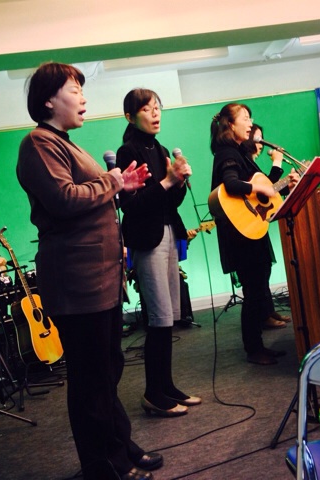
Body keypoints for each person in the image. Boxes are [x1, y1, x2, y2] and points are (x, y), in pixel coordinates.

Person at [16, 62, 158, 480]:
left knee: (107, 370)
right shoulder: (38, 142)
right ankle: (102, 466)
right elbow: (64, 199)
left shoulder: (65, 143)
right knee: (91, 378)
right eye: (74, 90)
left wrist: (120, 184)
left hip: (99, 279)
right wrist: (113, 182)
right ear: (48, 100)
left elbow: (88, 195)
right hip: (77, 282)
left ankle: (120, 447)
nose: (83, 98)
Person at [116, 88, 201, 417]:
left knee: (169, 318)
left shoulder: (161, 149)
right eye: (147, 109)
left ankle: (166, 386)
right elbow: (131, 205)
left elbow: (170, 202)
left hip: (167, 231)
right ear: (130, 116)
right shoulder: (128, 151)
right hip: (146, 238)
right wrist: (167, 182)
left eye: (157, 107)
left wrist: (179, 183)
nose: (155, 113)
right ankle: (153, 393)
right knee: (159, 318)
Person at [210, 104, 299, 366]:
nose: (250, 123)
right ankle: (253, 348)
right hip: (240, 235)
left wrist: (283, 187)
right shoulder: (227, 152)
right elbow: (231, 185)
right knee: (253, 291)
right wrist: (264, 190)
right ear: (230, 124)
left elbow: (260, 193)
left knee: (258, 288)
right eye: (246, 118)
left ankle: (258, 345)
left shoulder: (240, 153)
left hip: (249, 230)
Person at [241, 124, 292, 330]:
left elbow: (269, 191)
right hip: (249, 224)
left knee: (265, 269)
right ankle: (263, 316)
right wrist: (277, 164)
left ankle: (268, 311)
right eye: (258, 139)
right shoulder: (244, 163)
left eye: (262, 139)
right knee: (257, 275)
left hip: (258, 223)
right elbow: (266, 190)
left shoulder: (251, 164)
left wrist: (287, 184)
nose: (261, 144)